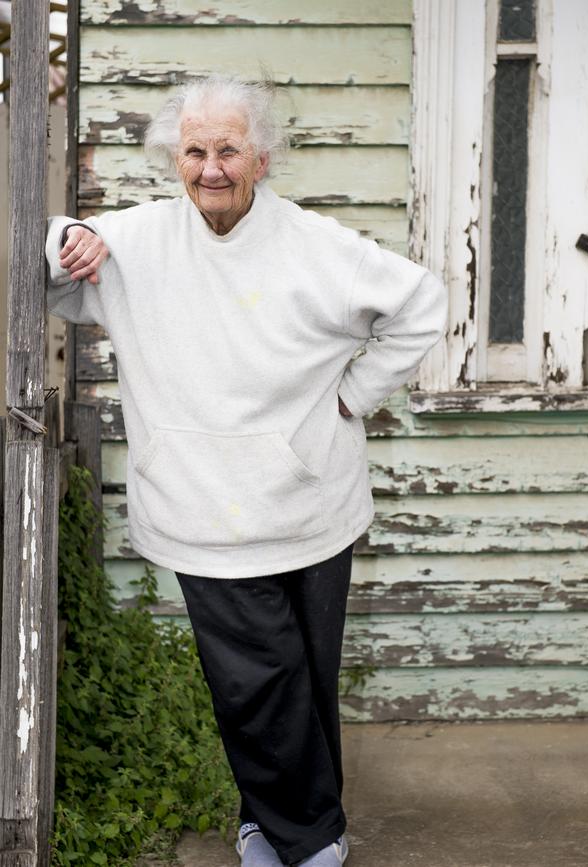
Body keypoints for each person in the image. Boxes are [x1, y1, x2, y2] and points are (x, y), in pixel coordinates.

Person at [45, 71, 448, 867]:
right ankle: (310, 838)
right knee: (257, 682)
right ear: (175, 160)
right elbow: (55, 273)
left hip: (314, 502)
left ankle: (271, 820)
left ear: (261, 157)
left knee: (301, 673)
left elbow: (422, 303)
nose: (211, 168)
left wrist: (353, 394)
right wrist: (67, 236)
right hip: (205, 508)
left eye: (228, 149)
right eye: (194, 151)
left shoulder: (315, 245)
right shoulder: (143, 241)